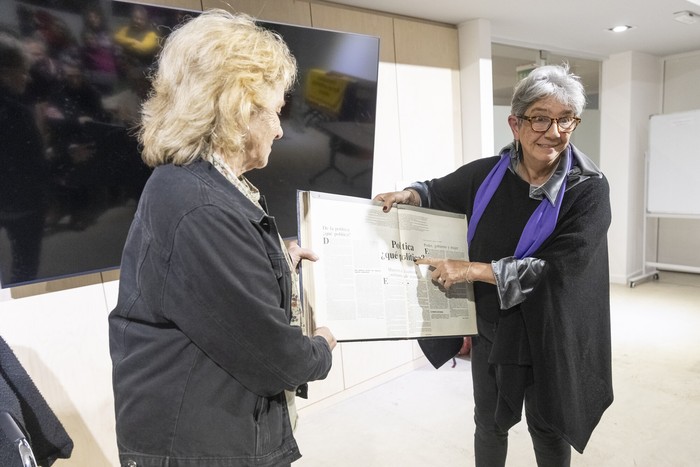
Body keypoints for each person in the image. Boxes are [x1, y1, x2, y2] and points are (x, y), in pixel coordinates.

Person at [108, 9, 336, 467]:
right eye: (272, 111)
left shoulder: (197, 187)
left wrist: (275, 259)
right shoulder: (199, 207)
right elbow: (275, 358)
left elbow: (215, 293)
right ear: (235, 109)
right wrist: (323, 348)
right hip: (201, 447)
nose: (278, 128)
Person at [374, 64, 612, 467]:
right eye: (540, 118)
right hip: (493, 325)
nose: (553, 132)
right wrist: (411, 194)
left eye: (565, 120)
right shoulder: (489, 174)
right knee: (489, 423)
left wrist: (470, 270)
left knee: (548, 426)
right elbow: (438, 191)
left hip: (550, 329)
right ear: (515, 124)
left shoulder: (587, 187)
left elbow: (558, 269)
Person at [0, 32, 48, 286]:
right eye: (23, 71)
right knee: (24, 267)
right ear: (5, 72)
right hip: (22, 205)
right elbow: (34, 164)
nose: (27, 78)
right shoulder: (16, 114)